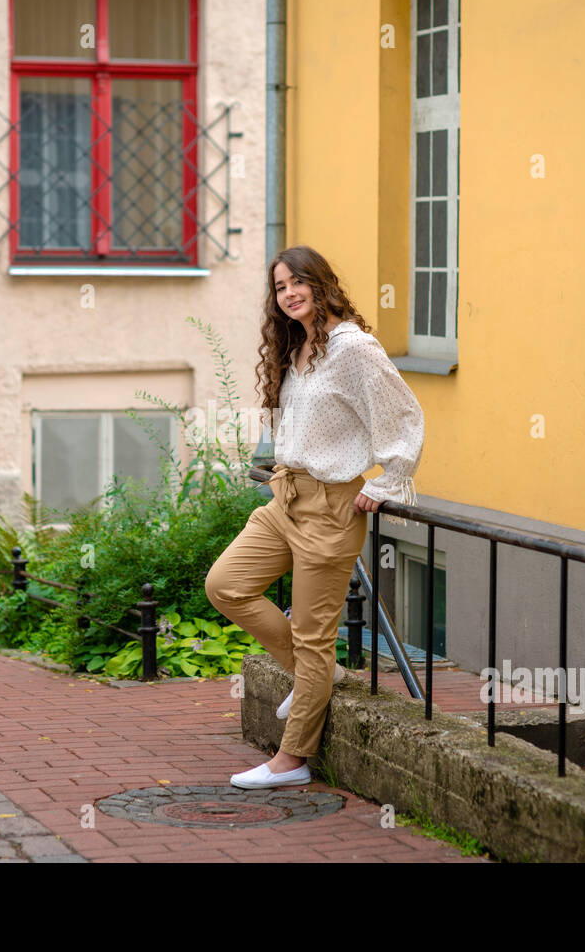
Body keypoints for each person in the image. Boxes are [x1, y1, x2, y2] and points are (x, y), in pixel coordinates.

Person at [205, 244, 425, 789]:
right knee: (226, 585)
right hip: (285, 498)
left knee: (312, 634)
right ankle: (314, 679)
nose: (289, 294)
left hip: (331, 507)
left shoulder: (354, 349)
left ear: (321, 284)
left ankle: (292, 760)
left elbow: (403, 415)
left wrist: (389, 480)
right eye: (280, 288)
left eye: (298, 282)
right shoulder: (298, 347)